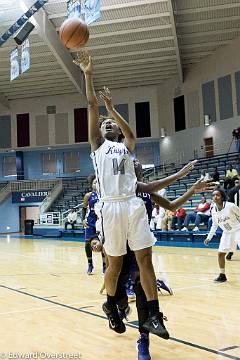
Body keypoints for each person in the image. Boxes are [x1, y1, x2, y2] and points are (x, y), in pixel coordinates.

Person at [74, 49, 173, 338]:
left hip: (132, 205)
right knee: (115, 264)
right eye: (104, 123)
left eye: (111, 124)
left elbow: (132, 136)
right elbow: (91, 104)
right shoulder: (96, 145)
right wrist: (88, 73)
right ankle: (110, 305)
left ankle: (153, 315)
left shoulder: (126, 146)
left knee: (145, 258)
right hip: (110, 208)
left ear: (117, 130)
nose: (106, 124)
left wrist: (114, 110)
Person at [92, 166, 214, 360]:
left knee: (142, 297)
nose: (138, 169)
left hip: (139, 250)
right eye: (135, 167)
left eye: (140, 168)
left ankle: (143, 341)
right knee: (121, 300)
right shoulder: (115, 193)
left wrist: (193, 190)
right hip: (118, 253)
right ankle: (114, 308)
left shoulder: (146, 193)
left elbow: (172, 207)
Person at [204, 188, 240, 282]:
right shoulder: (213, 210)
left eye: (217, 195)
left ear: (222, 196)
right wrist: (209, 237)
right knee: (220, 254)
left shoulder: (230, 206)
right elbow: (214, 224)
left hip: (238, 230)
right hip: (227, 233)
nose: (215, 197)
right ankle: (222, 275)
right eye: (213, 195)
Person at [81, 174, 106, 275]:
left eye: (98, 182)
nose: (97, 184)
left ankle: (104, 266)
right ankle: (90, 264)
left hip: (102, 222)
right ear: (91, 185)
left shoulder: (105, 194)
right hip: (90, 223)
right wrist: (82, 219)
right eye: (95, 182)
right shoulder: (88, 195)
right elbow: (83, 208)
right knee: (88, 243)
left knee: (103, 244)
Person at [225, 177, 240, 260]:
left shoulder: (232, 191)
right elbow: (228, 205)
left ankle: (230, 252)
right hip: (235, 217)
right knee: (234, 236)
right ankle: (230, 252)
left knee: (234, 235)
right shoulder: (232, 191)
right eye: (236, 182)